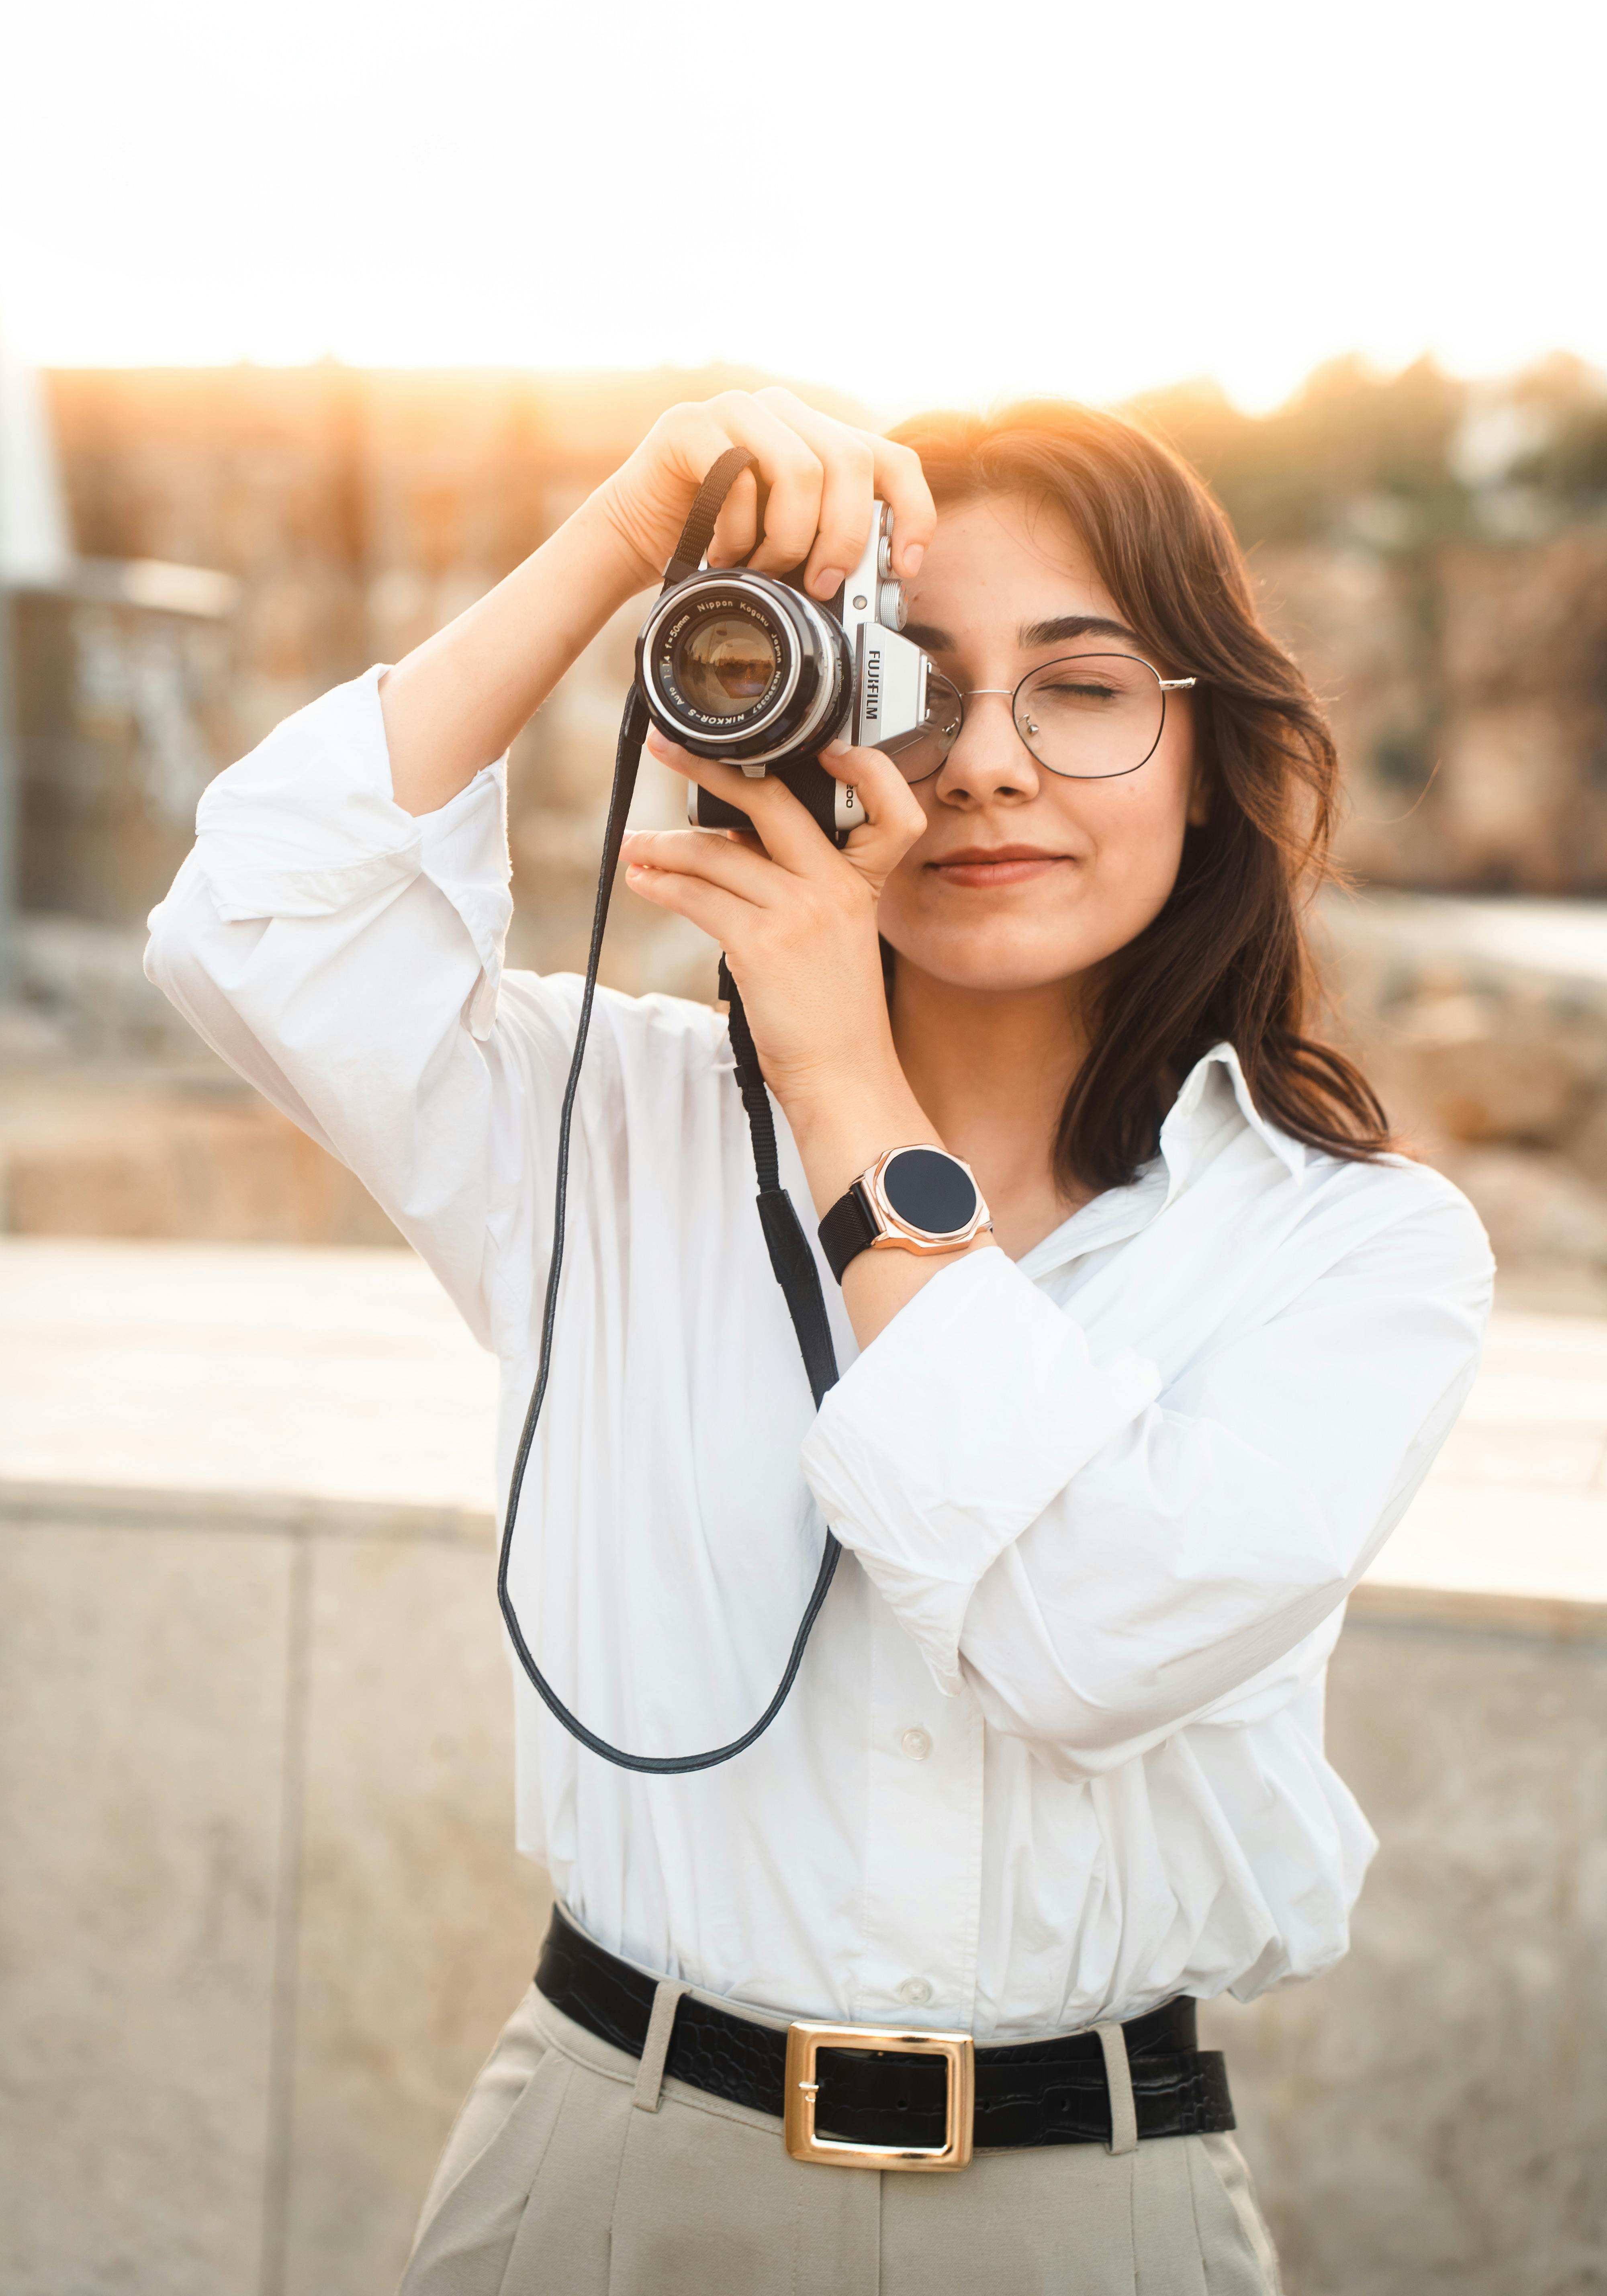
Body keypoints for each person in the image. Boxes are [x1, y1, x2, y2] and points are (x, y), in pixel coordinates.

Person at [145, 386, 1492, 2294]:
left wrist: (845, 1082)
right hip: (601, 2164)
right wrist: (628, 528)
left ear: (1209, 757)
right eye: (912, 684)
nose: (993, 765)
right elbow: (250, 929)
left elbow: (1081, 1642)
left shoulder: (1351, 1247)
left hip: (1084, 2204)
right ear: (788, 712)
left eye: (1086, 688)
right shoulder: (605, 1125)